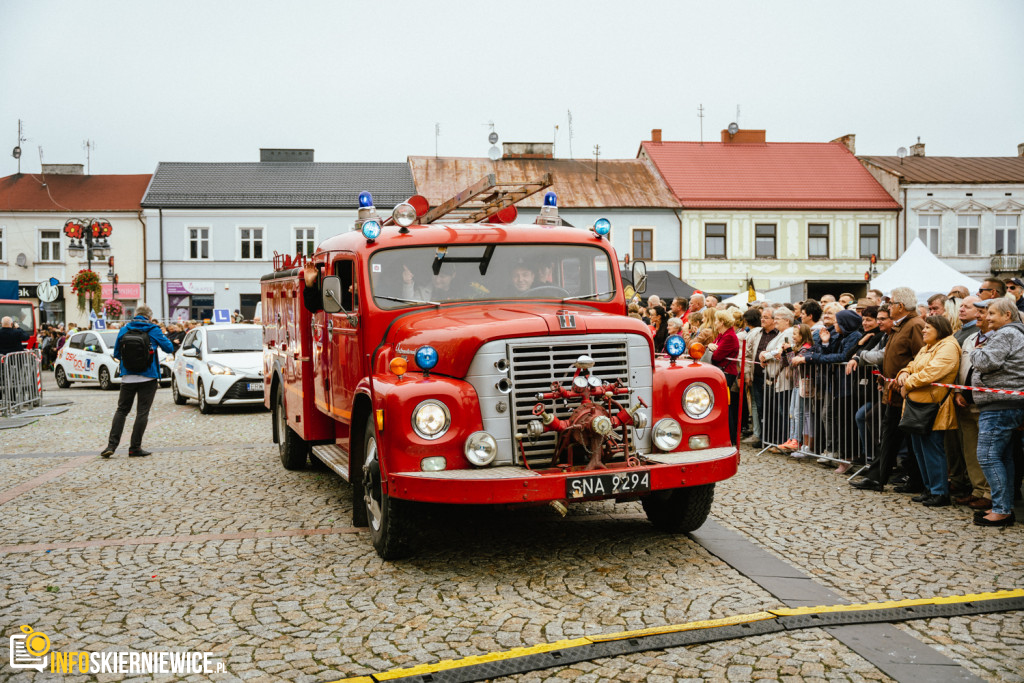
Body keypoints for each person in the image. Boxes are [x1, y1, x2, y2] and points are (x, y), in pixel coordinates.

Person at [851, 287, 926, 493]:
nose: (888, 307)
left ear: (900, 306)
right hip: (893, 393)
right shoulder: (901, 326)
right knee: (889, 437)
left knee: (908, 440)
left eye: (891, 303)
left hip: (906, 393)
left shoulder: (915, 325)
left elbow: (921, 358)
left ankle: (914, 481)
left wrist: (905, 377)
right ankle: (877, 477)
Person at [895, 315, 961, 507]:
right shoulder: (928, 347)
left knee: (933, 449)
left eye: (927, 328)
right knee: (920, 449)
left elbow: (932, 372)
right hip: (918, 404)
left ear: (939, 329)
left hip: (934, 405)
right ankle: (929, 488)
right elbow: (913, 365)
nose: (923, 331)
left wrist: (907, 383)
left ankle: (940, 491)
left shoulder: (948, 346)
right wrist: (904, 372)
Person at [969, 297, 1024, 526]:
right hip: (1006, 403)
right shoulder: (1013, 333)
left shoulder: (1006, 334)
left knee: (988, 455)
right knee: (1002, 457)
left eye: (991, 313)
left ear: (1007, 315)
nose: (987, 317)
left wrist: (975, 351)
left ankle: (1001, 510)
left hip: (1000, 404)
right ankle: (1003, 507)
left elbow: (986, 361)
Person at [101, 305, 174, 458]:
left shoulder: (124, 329)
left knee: (121, 411)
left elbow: (116, 353)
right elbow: (169, 348)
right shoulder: (153, 329)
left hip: (128, 377)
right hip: (148, 376)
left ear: (135, 315)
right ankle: (135, 448)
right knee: (142, 412)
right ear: (149, 316)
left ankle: (111, 446)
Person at [953, 300, 992, 510]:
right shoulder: (970, 338)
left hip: (985, 403)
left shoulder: (997, 338)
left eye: (982, 312)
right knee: (970, 450)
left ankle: (989, 492)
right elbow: (961, 367)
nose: (978, 315)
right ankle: (977, 490)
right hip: (965, 402)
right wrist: (958, 391)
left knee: (988, 452)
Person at [709, 309, 740, 444]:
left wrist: (711, 347)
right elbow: (712, 348)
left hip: (726, 373)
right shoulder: (723, 335)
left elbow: (716, 356)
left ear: (721, 322)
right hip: (722, 372)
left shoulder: (729, 337)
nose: (714, 323)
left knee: (725, 406)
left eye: (716, 320)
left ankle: (730, 437)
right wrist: (711, 346)